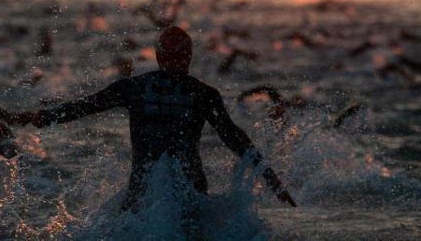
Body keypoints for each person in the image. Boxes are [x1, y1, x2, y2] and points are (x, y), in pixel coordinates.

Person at [18, 26, 297, 210]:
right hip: (190, 191)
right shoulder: (203, 93)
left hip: (143, 191)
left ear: (157, 56)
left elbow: (85, 106)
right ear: (189, 56)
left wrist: (43, 117)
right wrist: (272, 180)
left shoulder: (134, 88)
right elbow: (235, 138)